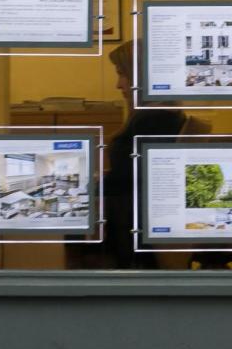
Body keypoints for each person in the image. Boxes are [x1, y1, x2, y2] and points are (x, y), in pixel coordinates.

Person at [66, 40, 188, 270]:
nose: (118, 84)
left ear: (139, 77)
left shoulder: (153, 121)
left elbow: (131, 180)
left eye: (123, 74)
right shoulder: (168, 116)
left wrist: (87, 183)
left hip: (128, 229)